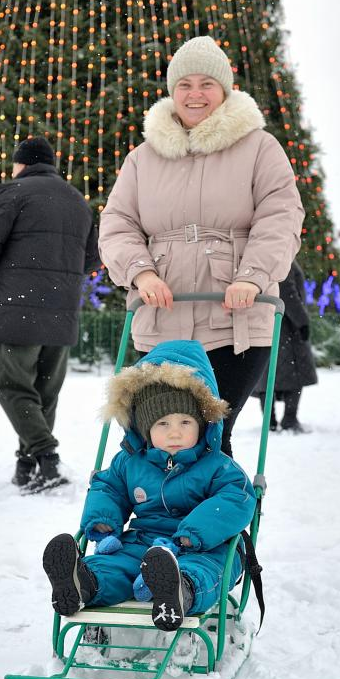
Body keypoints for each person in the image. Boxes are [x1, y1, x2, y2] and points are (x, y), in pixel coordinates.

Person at [99, 35, 304, 459]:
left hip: (236, 319)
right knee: (157, 432)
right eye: (185, 85)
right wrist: (141, 271)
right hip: (162, 317)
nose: (195, 94)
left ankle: (212, 522)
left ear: (225, 90)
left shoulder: (259, 148)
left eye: (206, 84)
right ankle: (153, 517)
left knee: (210, 433)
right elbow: (117, 223)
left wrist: (252, 277)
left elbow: (280, 218)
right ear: (172, 92)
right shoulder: (142, 158)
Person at [41, 340, 255, 631]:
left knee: (206, 569)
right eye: (163, 424)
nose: (175, 432)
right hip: (144, 542)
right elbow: (108, 488)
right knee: (115, 564)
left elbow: (236, 499)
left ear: (203, 424)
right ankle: (83, 584)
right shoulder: (130, 462)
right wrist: (104, 521)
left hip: (204, 546)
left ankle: (180, 591)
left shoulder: (218, 466)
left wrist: (194, 533)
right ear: (145, 429)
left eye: (185, 422)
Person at [0, 135, 98, 491]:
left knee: (11, 386)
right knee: (44, 392)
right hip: (62, 311)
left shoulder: (14, 192)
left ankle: (46, 456)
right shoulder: (77, 200)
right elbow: (91, 256)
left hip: (17, 307)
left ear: (21, 163)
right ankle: (28, 465)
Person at [252, 261, 317, 433]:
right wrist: (302, 322)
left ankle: (270, 421)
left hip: (267, 324)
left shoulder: (265, 259)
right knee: (295, 374)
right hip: (286, 327)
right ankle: (289, 418)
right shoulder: (283, 260)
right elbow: (288, 295)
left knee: (267, 376)